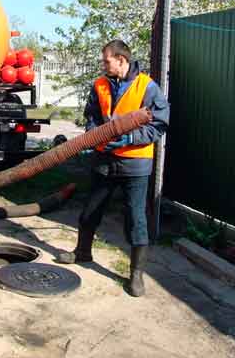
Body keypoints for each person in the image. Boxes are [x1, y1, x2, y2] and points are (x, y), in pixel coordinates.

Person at [58, 39, 169, 297]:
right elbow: (92, 117)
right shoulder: (99, 85)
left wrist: (130, 138)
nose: (103, 64)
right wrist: (93, 135)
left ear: (121, 60)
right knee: (90, 210)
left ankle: (136, 276)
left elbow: (160, 124)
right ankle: (82, 252)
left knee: (136, 219)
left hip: (135, 163)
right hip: (104, 159)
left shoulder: (147, 87)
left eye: (106, 59)